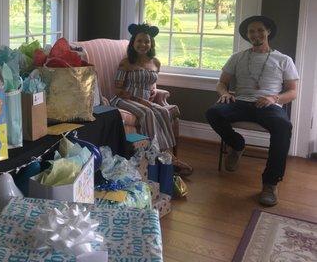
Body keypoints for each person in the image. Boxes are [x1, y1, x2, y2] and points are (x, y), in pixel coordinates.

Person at [205, 15, 299, 206]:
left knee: (283, 126)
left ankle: (271, 183)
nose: (255, 34)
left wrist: (275, 98)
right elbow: (222, 83)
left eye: (260, 30)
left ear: (268, 32)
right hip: (240, 102)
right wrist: (224, 93)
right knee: (213, 112)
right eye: (251, 31)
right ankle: (237, 144)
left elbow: (292, 91)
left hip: (269, 105)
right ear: (247, 35)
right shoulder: (238, 57)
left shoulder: (283, 59)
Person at [110, 23, 193, 176]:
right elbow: (118, 90)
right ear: (133, 43)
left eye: (147, 41)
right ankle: (156, 155)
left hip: (145, 100)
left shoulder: (155, 62)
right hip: (124, 99)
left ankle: (169, 156)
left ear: (151, 44)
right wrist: (142, 101)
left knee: (163, 111)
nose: (143, 44)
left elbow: (151, 83)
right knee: (147, 112)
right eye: (139, 41)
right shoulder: (126, 62)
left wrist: (152, 91)